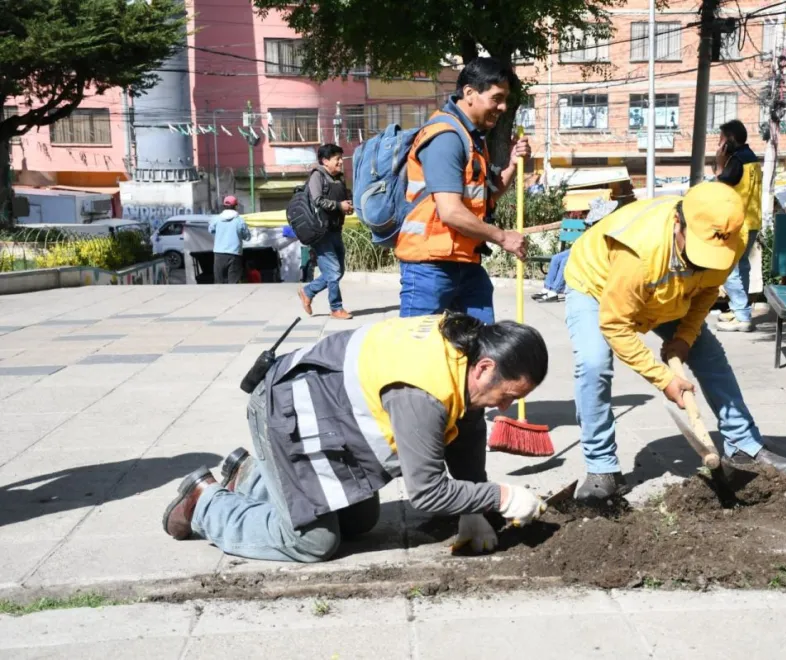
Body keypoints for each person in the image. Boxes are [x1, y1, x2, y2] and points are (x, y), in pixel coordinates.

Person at [162, 312, 550, 562]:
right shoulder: (422, 392)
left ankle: (251, 476)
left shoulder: (462, 352)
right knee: (313, 543)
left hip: (326, 419)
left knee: (360, 520)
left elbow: (466, 430)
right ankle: (204, 504)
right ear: (484, 368)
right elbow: (427, 492)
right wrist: (500, 497)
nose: (505, 407)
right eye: (509, 396)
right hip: (285, 415)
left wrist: (472, 507)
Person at [563, 182, 786, 502]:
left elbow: (708, 290)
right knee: (593, 365)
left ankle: (744, 446)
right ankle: (602, 468)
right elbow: (616, 324)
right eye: (700, 250)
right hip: (599, 285)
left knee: (709, 354)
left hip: (668, 290)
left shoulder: (732, 239)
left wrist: (685, 338)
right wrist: (664, 379)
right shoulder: (639, 251)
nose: (707, 260)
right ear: (678, 224)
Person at [394, 57, 531, 325]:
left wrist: (513, 164)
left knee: (481, 343)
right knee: (416, 345)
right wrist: (503, 237)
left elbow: (487, 199)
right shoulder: (445, 137)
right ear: (469, 93)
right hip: (429, 266)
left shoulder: (472, 139)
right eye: (497, 98)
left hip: (465, 263)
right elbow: (451, 212)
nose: (503, 107)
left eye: (505, 100)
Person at [712, 119, 763, 333]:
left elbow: (719, 187)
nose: (719, 143)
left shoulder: (736, 161)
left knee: (728, 268)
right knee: (742, 266)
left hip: (737, 223)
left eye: (721, 139)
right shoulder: (751, 158)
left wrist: (719, 162)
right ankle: (740, 310)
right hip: (752, 221)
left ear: (730, 140)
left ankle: (742, 316)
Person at [299, 144, 353, 319]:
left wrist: (347, 206)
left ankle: (308, 291)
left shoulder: (339, 178)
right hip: (321, 231)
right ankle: (336, 308)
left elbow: (342, 199)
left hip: (335, 229)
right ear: (325, 161)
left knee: (338, 271)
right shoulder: (317, 176)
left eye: (341, 158)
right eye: (337, 159)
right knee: (333, 270)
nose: (340, 162)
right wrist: (339, 206)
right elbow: (317, 200)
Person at [532, 199, 620, 303]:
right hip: (582, 247)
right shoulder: (592, 223)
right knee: (556, 258)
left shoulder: (608, 224)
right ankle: (547, 288)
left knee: (565, 261)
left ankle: (554, 292)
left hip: (590, 251)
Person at [209, 196, 251, 284]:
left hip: (219, 254)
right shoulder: (240, 221)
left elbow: (211, 230)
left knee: (219, 283)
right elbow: (247, 237)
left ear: (224, 206)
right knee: (233, 283)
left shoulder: (216, 219)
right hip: (234, 255)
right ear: (236, 206)